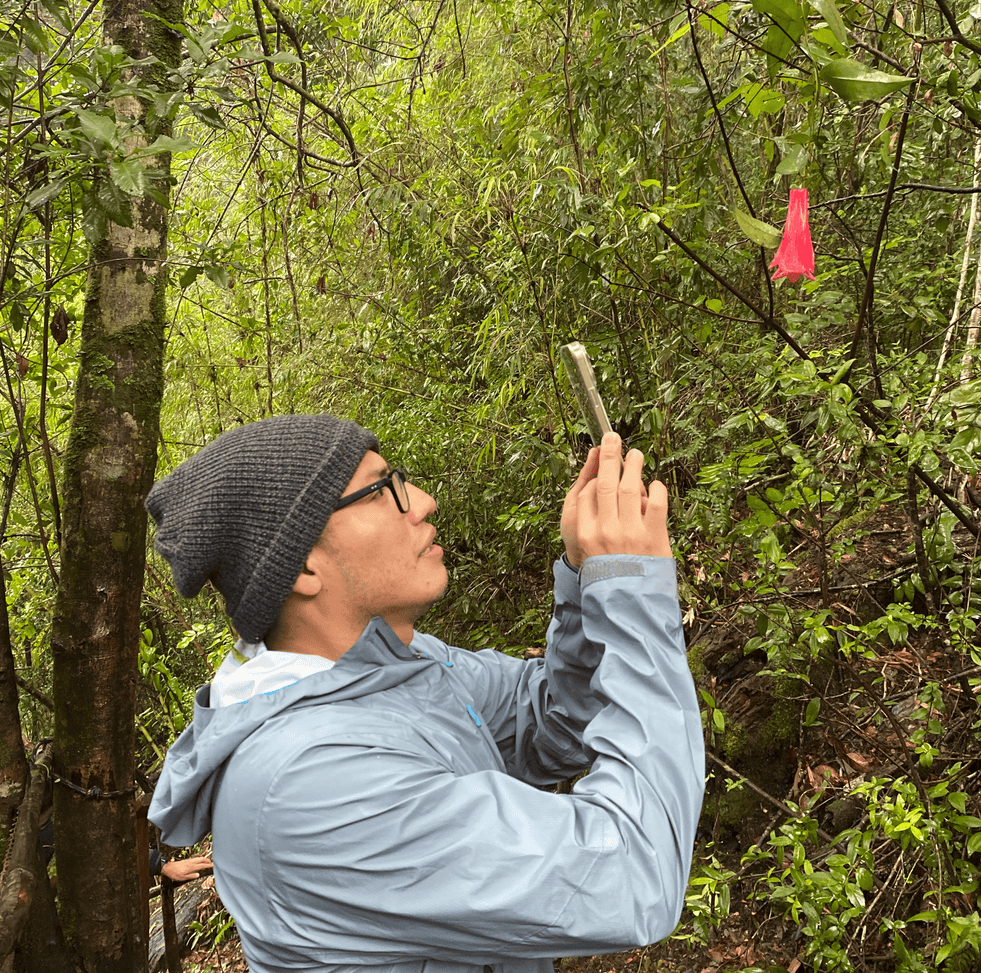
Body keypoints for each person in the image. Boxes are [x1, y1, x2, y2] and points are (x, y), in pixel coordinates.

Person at [146, 413, 705, 973]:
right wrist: (630, 587)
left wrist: (590, 582)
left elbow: (555, 724)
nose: (423, 500)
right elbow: (633, 875)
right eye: (380, 489)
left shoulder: (400, 664)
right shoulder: (312, 781)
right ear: (303, 569)